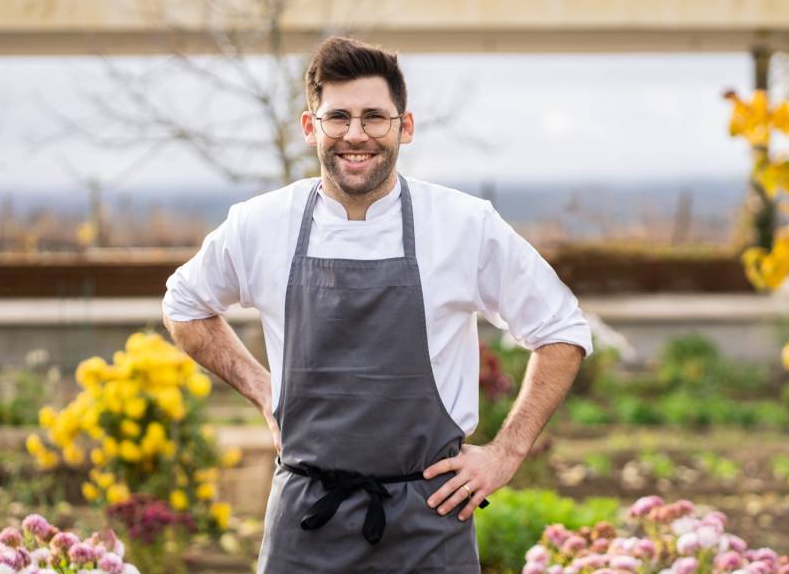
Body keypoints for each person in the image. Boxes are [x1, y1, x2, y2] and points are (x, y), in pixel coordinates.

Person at [162, 36, 593, 573]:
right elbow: (184, 305)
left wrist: (507, 453)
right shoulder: (260, 224)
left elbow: (562, 330)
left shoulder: (464, 225)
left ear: (404, 127)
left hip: (430, 520)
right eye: (337, 117)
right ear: (309, 127)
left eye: (375, 117)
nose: (356, 135)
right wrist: (262, 388)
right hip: (306, 520)